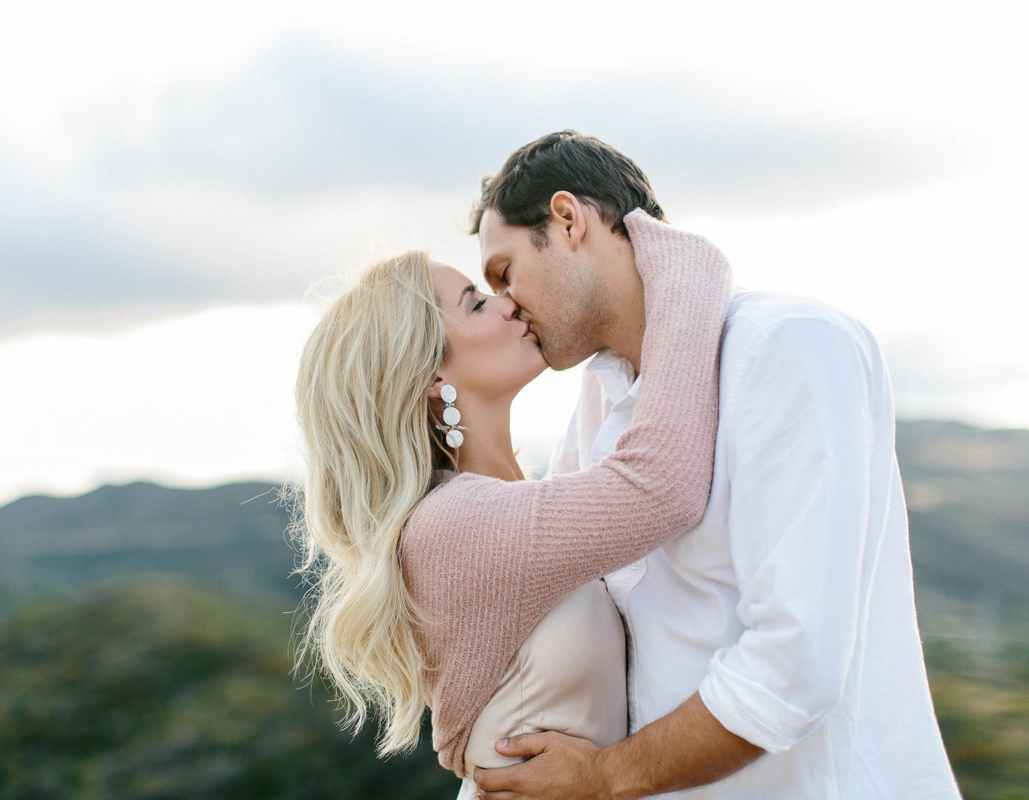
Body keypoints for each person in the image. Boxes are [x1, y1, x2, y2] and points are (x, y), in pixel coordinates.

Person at [470, 130, 961, 799]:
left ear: (567, 220)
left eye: (504, 273)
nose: (503, 303)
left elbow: (795, 665)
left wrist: (606, 778)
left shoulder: (787, 348)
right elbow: (548, 588)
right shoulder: (598, 399)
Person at [293, 211, 734, 796]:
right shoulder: (457, 526)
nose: (507, 304)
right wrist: (686, 268)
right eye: (477, 303)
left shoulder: (503, 500)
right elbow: (661, 485)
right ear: (428, 375)